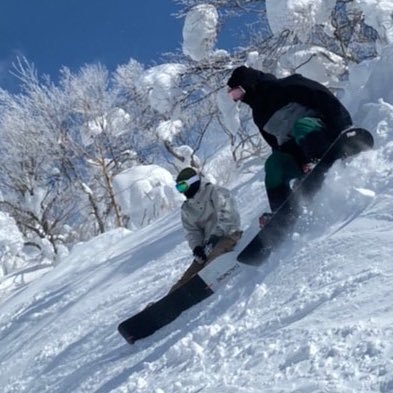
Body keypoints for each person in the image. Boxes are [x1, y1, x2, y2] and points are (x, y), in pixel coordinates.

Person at [227, 65, 353, 225]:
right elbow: (277, 145)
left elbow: (325, 98)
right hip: (303, 155)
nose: (237, 99)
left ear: (248, 84)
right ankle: (282, 212)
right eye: (232, 96)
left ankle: (321, 162)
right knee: (273, 163)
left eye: (237, 93)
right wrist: (298, 164)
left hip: (324, 135)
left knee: (301, 126)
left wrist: (344, 128)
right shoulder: (259, 115)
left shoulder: (287, 86)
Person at [168, 167, 242, 293]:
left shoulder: (215, 192)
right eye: (178, 188)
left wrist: (215, 236)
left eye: (182, 187)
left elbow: (229, 215)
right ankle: (172, 297)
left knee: (210, 266)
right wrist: (197, 247)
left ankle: (201, 288)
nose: (182, 192)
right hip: (208, 246)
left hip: (228, 235)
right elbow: (192, 231)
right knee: (187, 277)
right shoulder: (186, 209)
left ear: (193, 182)